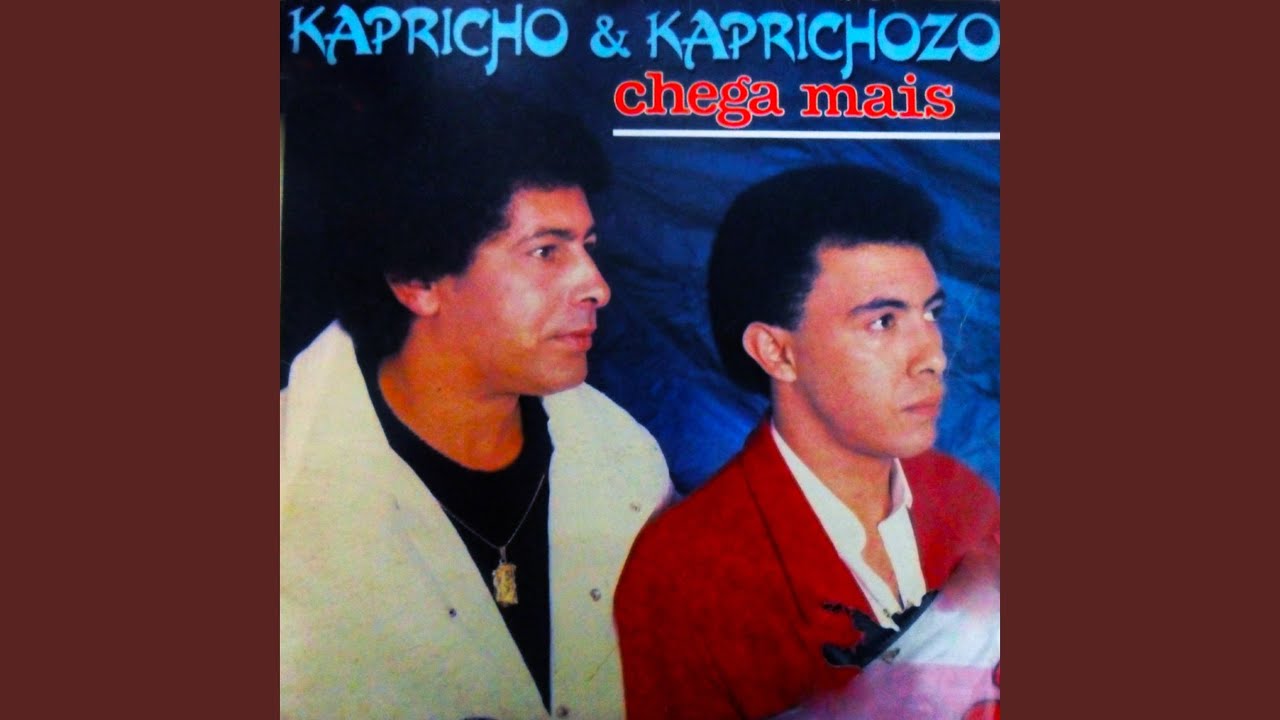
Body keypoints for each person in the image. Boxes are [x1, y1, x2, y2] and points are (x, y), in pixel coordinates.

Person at [279, 93, 673, 719]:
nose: (597, 286)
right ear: (418, 281)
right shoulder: (288, 479)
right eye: (546, 251)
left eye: (588, 246)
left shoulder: (626, 459)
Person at [614, 165, 1000, 719]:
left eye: (931, 314)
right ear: (776, 352)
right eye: (883, 322)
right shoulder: (683, 575)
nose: (934, 356)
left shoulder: (963, 497)